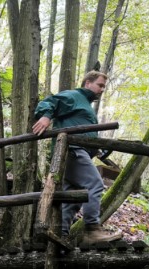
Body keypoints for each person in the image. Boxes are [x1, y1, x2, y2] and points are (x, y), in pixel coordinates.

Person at [32, 70, 121, 244]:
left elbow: (82, 128)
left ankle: (60, 237)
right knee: (94, 185)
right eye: (100, 85)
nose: (102, 89)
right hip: (72, 150)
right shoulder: (74, 96)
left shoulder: (85, 105)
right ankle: (91, 230)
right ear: (88, 83)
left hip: (74, 153)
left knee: (71, 198)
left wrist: (96, 150)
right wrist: (45, 116)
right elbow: (50, 102)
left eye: (104, 86)